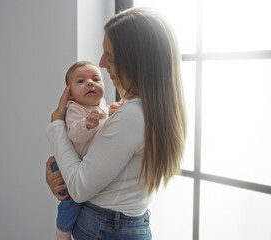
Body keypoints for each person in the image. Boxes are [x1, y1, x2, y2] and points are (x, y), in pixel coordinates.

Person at [46, 7, 187, 240]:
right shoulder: (151, 110)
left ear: (134, 60)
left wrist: (56, 125)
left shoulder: (132, 116)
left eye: (109, 56)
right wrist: (61, 175)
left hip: (104, 227)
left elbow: (80, 188)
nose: (101, 63)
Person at [52, 61, 110, 240]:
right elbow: (75, 134)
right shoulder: (74, 108)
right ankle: (62, 232)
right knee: (70, 204)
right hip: (67, 167)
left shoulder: (103, 104)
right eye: (81, 81)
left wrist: (111, 113)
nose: (90, 83)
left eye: (95, 79)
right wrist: (87, 124)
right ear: (69, 94)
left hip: (84, 167)